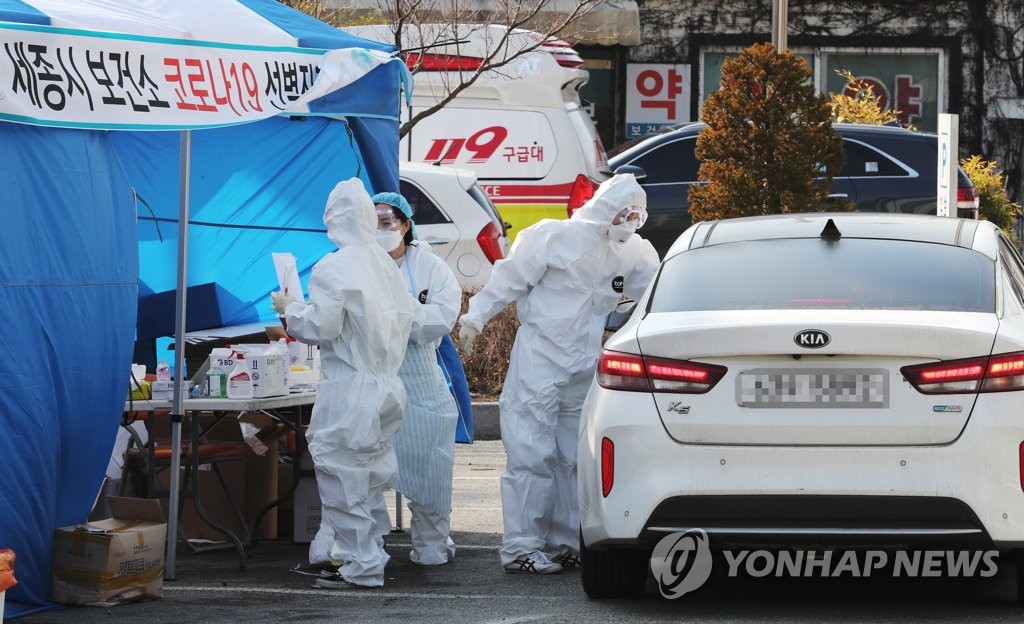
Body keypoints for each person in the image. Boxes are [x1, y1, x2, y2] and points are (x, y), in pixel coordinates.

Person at [457, 173, 660, 574]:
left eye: (636, 216)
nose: (629, 222)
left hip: (585, 363)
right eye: (624, 213)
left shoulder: (633, 252)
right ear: (605, 208)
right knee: (531, 453)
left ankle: (565, 542)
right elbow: (509, 278)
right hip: (541, 357)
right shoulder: (553, 236)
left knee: (574, 457)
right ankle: (521, 548)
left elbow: (655, 291)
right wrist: (475, 318)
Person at [271, 178, 415, 589]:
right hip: (386, 385)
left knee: (341, 476)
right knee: (367, 476)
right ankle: (363, 553)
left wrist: (292, 311)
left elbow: (323, 326)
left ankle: (360, 565)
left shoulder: (334, 266)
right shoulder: (385, 264)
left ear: (333, 219)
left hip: (350, 387)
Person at [372, 191, 462, 565]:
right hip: (374, 381)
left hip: (421, 383)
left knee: (431, 469)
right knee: (366, 472)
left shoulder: (430, 267)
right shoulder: (358, 265)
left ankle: (431, 546)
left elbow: (441, 319)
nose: (379, 230)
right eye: (372, 223)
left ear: (406, 225)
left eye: (386, 222)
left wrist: (401, 310)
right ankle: (365, 549)